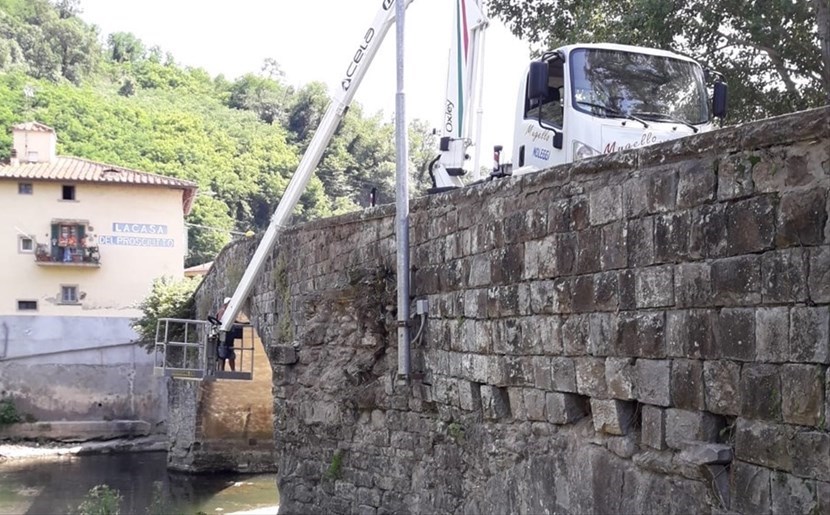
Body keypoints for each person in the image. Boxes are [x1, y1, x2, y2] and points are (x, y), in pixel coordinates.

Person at [215, 297, 243, 371]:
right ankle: (222, 371)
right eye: (229, 303)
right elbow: (221, 322)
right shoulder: (223, 311)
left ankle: (230, 371)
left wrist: (242, 324)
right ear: (226, 304)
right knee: (222, 354)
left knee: (228, 353)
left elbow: (233, 321)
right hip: (223, 336)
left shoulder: (227, 312)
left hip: (228, 336)